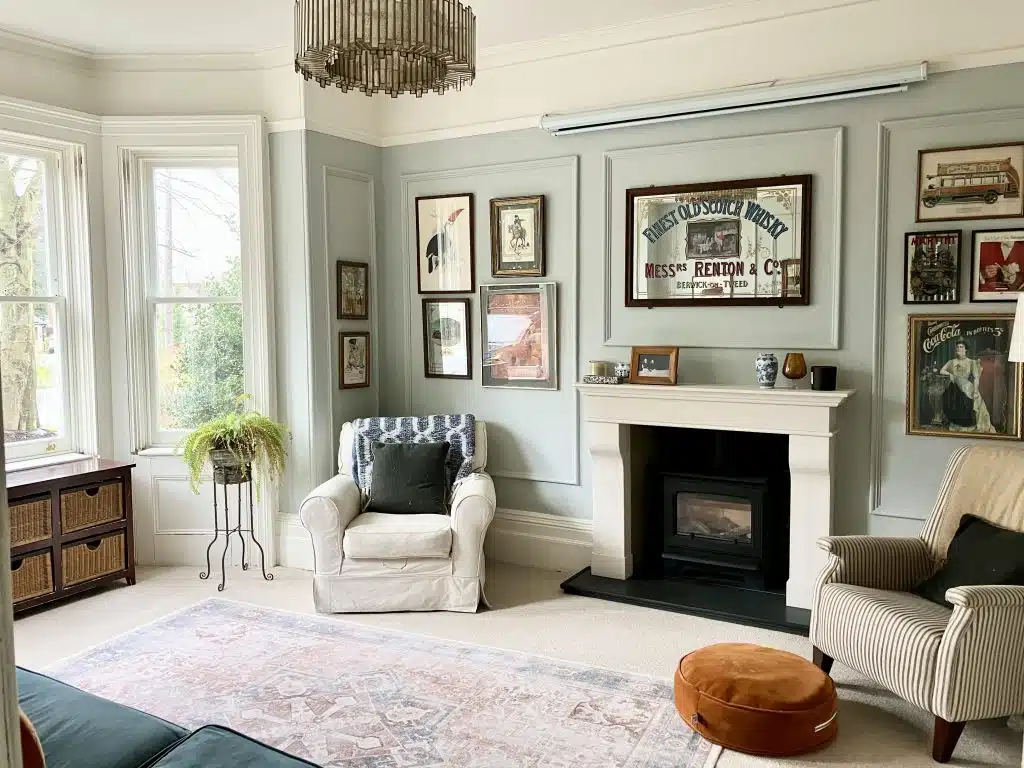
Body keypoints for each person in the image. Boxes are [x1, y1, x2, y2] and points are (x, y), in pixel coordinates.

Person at [939, 340, 995, 433]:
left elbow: (976, 378)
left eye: (961, 347)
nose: (959, 348)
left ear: (965, 350)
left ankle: (968, 424)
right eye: (957, 347)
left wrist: (975, 390)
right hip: (954, 387)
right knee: (949, 396)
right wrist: (950, 374)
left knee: (971, 402)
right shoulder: (951, 362)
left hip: (966, 386)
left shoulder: (971, 362)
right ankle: (956, 422)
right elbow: (941, 371)